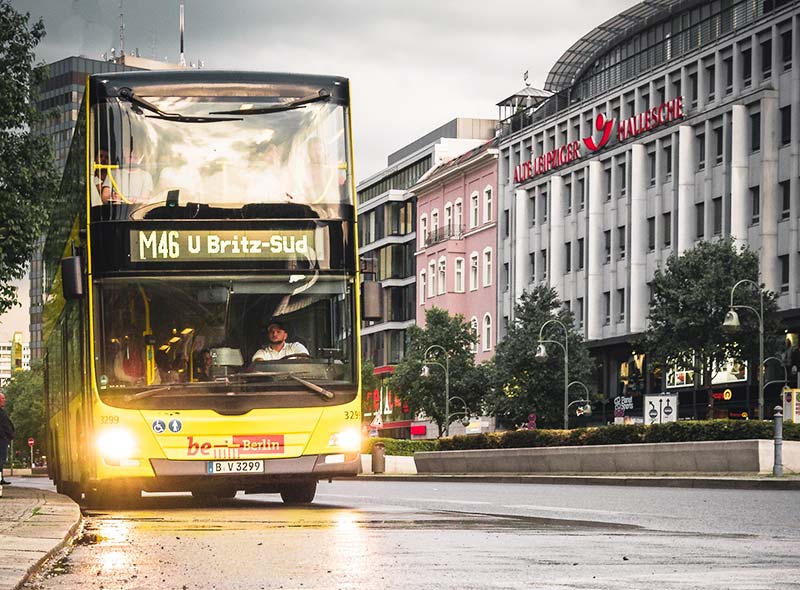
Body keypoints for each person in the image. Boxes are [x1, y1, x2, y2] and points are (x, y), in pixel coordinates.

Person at [0, 392, 14, 485]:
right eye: (3, 398)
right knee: (0, 459)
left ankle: (1, 478)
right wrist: (4, 435)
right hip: (1, 439)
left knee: (1, 459)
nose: (5, 400)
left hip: (3, 439)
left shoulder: (1, 411)